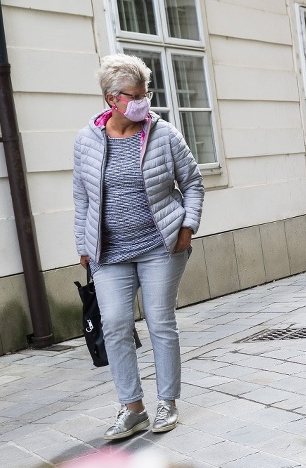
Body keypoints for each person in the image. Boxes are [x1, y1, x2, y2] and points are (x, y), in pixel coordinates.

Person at [73, 54, 204, 441]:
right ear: (111, 99)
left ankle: (168, 401)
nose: (142, 101)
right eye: (134, 95)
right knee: (114, 324)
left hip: (160, 244)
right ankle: (133, 409)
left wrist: (187, 227)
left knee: (160, 320)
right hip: (109, 252)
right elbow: (81, 197)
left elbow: (193, 183)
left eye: (145, 93)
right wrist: (83, 243)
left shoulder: (163, 134)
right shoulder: (87, 141)